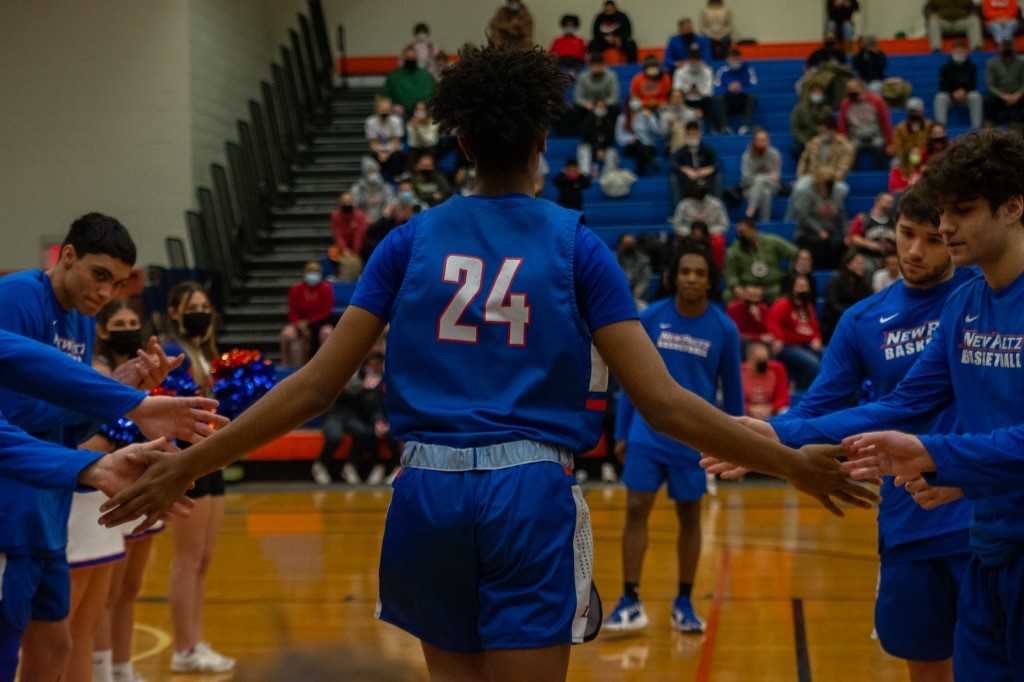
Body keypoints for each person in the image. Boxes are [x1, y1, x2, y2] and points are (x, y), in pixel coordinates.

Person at [98, 45, 878, 682]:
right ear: (545, 139)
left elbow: (311, 387)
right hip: (527, 489)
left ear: (460, 142)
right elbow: (668, 406)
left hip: (427, 487)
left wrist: (188, 463)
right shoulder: (579, 247)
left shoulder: (406, 242)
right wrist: (791, 464)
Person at [707, 181, 977, 682]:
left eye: (931, 239)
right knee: (925, 665)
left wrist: (776, 437)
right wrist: (766, 440)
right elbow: (820, 404)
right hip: (907, 518)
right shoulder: (863, 319)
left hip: (977, 513)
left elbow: (904, 402)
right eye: (905, 234)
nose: (915, 251)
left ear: (951, 235)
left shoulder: (979, 294)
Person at [0, 214, 225, 682]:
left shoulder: (82, 322)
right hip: (13, 501)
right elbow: (14, 414)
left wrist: (118, 392)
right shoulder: (19, 296)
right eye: (99, 275)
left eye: (118, 284)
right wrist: (121, 401)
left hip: (50, 504)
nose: (106, 293)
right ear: (67, 256)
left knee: (56, 643)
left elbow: (67, 419)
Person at [605, 239, 743, 635]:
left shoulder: (724, 329)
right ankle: (630, 600)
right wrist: (621, 431)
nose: (692, 279)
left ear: (711, 280)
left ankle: (684, 601)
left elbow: (732, 394)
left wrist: (736, 445)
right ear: (672, 276)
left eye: (700, 273)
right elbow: (630, 379)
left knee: (690, 517)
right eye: (685, 271)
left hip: (695, 442)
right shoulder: (650, 318)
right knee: (635, 510)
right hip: (646, 435)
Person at [161, 282, 235, 674]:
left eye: (206, 305)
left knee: (203, 559)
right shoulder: (174, 352)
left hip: (212, 457)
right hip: (187, 458)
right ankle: (183, 649)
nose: (202, 312)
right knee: (187, 559)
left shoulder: (208, 351)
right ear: (174, 311)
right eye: (194, 306)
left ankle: (195, 640)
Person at [311, 337, 393, 486]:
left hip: (351, 413)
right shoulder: (333, 368)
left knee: (363, 431)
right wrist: (364, 386)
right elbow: (346, 390)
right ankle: (320, 465)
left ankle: (350, 466)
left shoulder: (363, 368)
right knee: (335, 435)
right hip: (334, 412)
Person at [768, 272, 824, 391]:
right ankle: (801, 395)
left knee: (829, 356)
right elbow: (771, 322)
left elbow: (815, 328)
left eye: (805, 286)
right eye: (800, 286)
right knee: (813, 364)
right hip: (788, 345)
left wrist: (817, 338)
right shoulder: (784, 303)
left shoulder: (808, 307)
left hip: (807, 344)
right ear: (792, 287)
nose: (803, 289)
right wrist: (778, 338)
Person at [724, 218, 800, 303]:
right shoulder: (734, 250)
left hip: (771, 287)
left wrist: (791, 274)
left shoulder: (771, 241)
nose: (740, 236)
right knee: (728, 295)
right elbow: (731, 273)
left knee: (788, 294)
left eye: (743, 232)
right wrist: (736, 286)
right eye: (738, 233)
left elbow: (795, 253)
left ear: (753, 230)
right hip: (746, 287)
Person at [792, 116, 855, 211]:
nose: (821, 134)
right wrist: (800, 176)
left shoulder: (846, 147)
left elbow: (843, 169)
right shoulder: (814, 142)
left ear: (832, 130)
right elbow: (803, 161)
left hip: (832, 178)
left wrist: (826, 179)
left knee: (842, 189)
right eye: (820, 132)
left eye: (824, 131)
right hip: (811, 176)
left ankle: (831, 215)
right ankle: (792, 220)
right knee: (799, 188)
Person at [280, 262, 335, 368]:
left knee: (327, 332)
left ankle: (324, 366)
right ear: (305, 274)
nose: (312, 275)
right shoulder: (295, 289)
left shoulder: (326, 289)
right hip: (299, 324)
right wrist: (297, 323)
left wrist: (309, 323)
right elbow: (292, 312)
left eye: (315, 272)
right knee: (287, 333)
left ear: (320, 274)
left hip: (319, 324)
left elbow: (326, 312)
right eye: (310, 272)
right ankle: (288, 367)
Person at [793, 169, 848, 270]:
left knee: (840, 244)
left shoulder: (835, 196)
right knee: (820, 243)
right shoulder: (808, 194)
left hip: (830, 232)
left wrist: (847, 234)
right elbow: (804, 217)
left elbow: (842, 217)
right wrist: (819, 230)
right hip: (809, 232)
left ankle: (835, 273)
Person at [839, 78, 892, 171]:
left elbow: (885, 123)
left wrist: (890, 143)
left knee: (879, 145)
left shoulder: (877, 101)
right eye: (848, 90)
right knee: (851, 147)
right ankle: (854, 175)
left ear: (862, 88)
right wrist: (842, 143)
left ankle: (879, 174)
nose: (851, 92)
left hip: (875, 135)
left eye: (853, 90)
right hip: (855, 137)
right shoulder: (846, 103)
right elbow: (843, 126)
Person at [820, 250, 872, 342]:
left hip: (856, 319)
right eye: (858, 263)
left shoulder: (864, 283)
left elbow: (869, 302)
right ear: (849, 264)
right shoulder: (835, 280)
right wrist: (851, 313)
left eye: (862, 263)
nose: (861, 266)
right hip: (836, 320)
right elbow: (833, 304)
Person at [670, 121, 722, 207]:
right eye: (690, 134)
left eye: (695, 133)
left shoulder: (707, 149)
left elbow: (718, 162)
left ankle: (717, 208)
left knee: (718, 177)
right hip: (687, 181)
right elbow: (672, 164)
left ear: (699, 133)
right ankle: (677, 210)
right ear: (686, 134)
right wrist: (685, 169)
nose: (692, 137)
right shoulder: (681, 152)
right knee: (673, 178)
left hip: (705, 179)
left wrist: (708, 169)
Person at [934, 40, 983, 129]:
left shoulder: (972, 67)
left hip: (966, 96)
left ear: (966, 53)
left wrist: (964, 91)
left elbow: (973, 85)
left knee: (976, 96)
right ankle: (940, 128)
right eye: (957, 51)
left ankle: (976, 127)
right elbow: (943, 86)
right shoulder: (945, 68)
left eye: (962, 51)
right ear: (952, 52)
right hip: (951, 97)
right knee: (940, 97)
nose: (959, 54)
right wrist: (953, 93)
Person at [846, 191, 896, 273]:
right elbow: (854, 238)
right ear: (877, 201)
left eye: (890, 203)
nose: (888, 205)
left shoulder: (894, 221)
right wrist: (872, 245)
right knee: (867, 268)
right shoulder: (863, 218)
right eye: (886, 202)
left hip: (889, 256)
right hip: (867, 255)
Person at [572, 52, 620, 137]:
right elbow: (577, 96)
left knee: (616, 108)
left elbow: (614, 96)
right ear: (590, 66)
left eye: (599, 66)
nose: (597, 68)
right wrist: (586, 104)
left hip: (605, 104)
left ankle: (613, 134)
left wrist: (604, 103)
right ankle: (579, 136)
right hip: (588, 105)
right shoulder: (583, 76)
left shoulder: (611, 76)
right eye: (594, 66)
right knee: (576, 109)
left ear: (604, 65)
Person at [712, 48, 758, 135]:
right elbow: (717, 89)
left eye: (737, 59)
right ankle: (725, 127)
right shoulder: (721, 71)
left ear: (741, 59)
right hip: (728, 102)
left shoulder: (748, 70)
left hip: (742, 101)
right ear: (727, 59)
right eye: (733, 59)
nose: (735, 61)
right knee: (718, 98)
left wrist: (740, 89)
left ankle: (745, 126)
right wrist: (728, 89)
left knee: (752, 97)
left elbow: (753, 87)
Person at [741, 129, 783, 222]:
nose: (761, 143)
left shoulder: (775, 154)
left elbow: (776, 177)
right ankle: (765, 222)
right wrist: (767, 176)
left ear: (768, 141)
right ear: (754, 142)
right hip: (750, 187)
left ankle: (751, 209)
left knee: (760, 180)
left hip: (771, 185)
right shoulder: (747, 156)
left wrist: (761, 177)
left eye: (763, 140)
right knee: (765, 193)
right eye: (758, 140)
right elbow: (746, 178)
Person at [741, 341, 789, 420]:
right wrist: (749, 409)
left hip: (771, 411)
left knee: (785, 410)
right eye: (758, 360)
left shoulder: (777, 369)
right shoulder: (741, 371)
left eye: (765, 359)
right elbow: (735, 399)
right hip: (746, 413)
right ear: (749, 360)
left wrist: (770, 408)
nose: (762, 363)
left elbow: (783, 398)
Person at [384, 47, 437, 116]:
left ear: (417, 58)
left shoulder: (426, 75)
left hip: (423, 111)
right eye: (408, 57)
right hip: (400, 112)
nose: (411, 59)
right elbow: (385, 96)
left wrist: (424, 104)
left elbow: (434, 94)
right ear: (404, 58)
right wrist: (393, 106)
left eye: (412, 57)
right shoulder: (394, 76)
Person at [615, 98, 660, 177]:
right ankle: (650, 162)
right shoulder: (622, 117)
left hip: (647, 147)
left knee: (640, 151)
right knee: (637, 143)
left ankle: (641, 174)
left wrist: (649, 117)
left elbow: (656, 130)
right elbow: (619, 136)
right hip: (630, 147)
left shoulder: (646, 114)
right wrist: (629, 139)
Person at [364, 96, 406, 181]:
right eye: (382, 109)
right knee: (368, 158)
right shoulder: (370, 122)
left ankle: (397, 179)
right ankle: (373, 180)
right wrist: (380, 153)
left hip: (393, 149)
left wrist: (388, 153)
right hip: (378, 150)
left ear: (390, 109)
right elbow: (372, 142)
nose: (384, 112)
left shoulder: (396, 121)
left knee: (397, 156)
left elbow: (396, 141)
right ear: (377, 109)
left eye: (387, 109)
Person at [727, 285, 780, 351]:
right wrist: (758, 338)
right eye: (749, 302)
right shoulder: (734, 308)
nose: (752, 305)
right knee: (744, 341)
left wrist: (758, 319)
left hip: (760, 343)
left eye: (755, 302)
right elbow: (736, 334)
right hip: (743, 342)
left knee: (774, 344)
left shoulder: (764, 309)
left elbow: (769, 329)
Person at [790, 83, 834, 161]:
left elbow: (831, 128)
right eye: (815, 92)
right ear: (810, 94)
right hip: (805, 139)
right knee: (796, 149)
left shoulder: (827, 110)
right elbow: (795, 129)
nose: (817, 95)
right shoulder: (799, 110)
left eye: (820, 93)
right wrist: (805, 142)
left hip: (821, 139)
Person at [984, 39, 1024, 126]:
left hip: (1017, 94)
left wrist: (1017, 95)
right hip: (999, 95)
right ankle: (990, 128)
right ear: (999, 47)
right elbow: (990, 85)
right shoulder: (992, 63)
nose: (1007, 48)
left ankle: (1019, 125)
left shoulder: (1021, 62)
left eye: (1009, 46)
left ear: (1014, 47)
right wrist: (1003, 96)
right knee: (989, 101)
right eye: (1005, 46)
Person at [330, 192, 368, 280]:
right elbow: (337, 235)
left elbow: (359, 235)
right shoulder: (335, 216)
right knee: (332, 249)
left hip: (359, 246)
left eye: (349, 202)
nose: (347, 204)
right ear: (340, 204)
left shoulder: (360, 216)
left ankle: (363, 272)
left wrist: (355, 252)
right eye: (344, 202)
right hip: (343, 246)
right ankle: (336, 273)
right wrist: (344, 250)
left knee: (368, 246)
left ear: (353, 203)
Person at [672, 48, 715, 123]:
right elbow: (676, 88)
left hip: (702, 100)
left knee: (712, 101)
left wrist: (699, 91)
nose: (694, 63)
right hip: (686, 100)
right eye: (692, 60)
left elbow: (709, 91)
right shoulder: (680, 72)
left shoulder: (707, 71)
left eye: (696, 60)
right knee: (676, 98)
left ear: (700, 60)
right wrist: (687, 90)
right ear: (688, 60)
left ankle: (713, 128)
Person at [891, 97, 934, 167]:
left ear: (922, 111)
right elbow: (897, 148)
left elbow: (933, 145)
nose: (914, 114)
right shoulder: (900, 128)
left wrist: (921, 153)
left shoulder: (930, 126)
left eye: (916, 111)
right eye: (911, 112)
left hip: (926, 156)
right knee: (895, 162)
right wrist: (909, 153)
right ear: (907, 112)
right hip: (907, 157)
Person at [352, 157, 396, 223]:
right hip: (362, 222)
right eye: (371, 171)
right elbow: (354, 205)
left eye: (376, 171)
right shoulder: (357, 189)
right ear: (365, 172)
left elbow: (390, 203)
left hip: (381, 222)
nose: (374, 174)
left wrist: (384, 215)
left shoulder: (386, 187)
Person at [616, 233, 652, 309]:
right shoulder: (614, 260)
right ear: (620, 245)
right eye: (626, 244)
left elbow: (644, 282)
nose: (629, 247)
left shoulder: (643, 261)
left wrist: (634, 296)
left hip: (638, 299)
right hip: (618, 298)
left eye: (631, 244)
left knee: (643, 308)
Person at [405, 101, 440, 169]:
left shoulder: (433, 123)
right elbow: (412, 142)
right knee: (412, 153)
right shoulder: (410, 123)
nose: (419, 112)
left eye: (422, 110)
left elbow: (430, 141)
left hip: (430, 148)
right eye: (418, 110)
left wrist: (418, 130)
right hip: (416, 149)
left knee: (432, 152)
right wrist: (415, 127)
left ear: (426, 111)